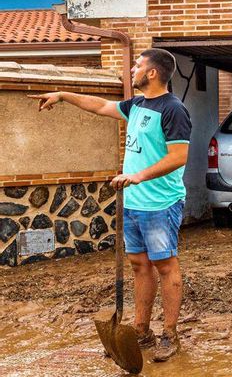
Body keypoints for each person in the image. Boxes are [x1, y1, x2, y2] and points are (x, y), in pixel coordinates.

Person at [28, 48, 191, 362]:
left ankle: (170, 334)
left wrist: (138, 176)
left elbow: (179, 156)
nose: (132, 70)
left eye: (138, 65)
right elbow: (101, 105)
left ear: (153, 72)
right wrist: (62, 94)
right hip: (132, 202)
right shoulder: (137, 104)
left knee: (166, 266)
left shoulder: (173, 109)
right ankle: (142, 331)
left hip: (160, 202)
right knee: (139, 265)